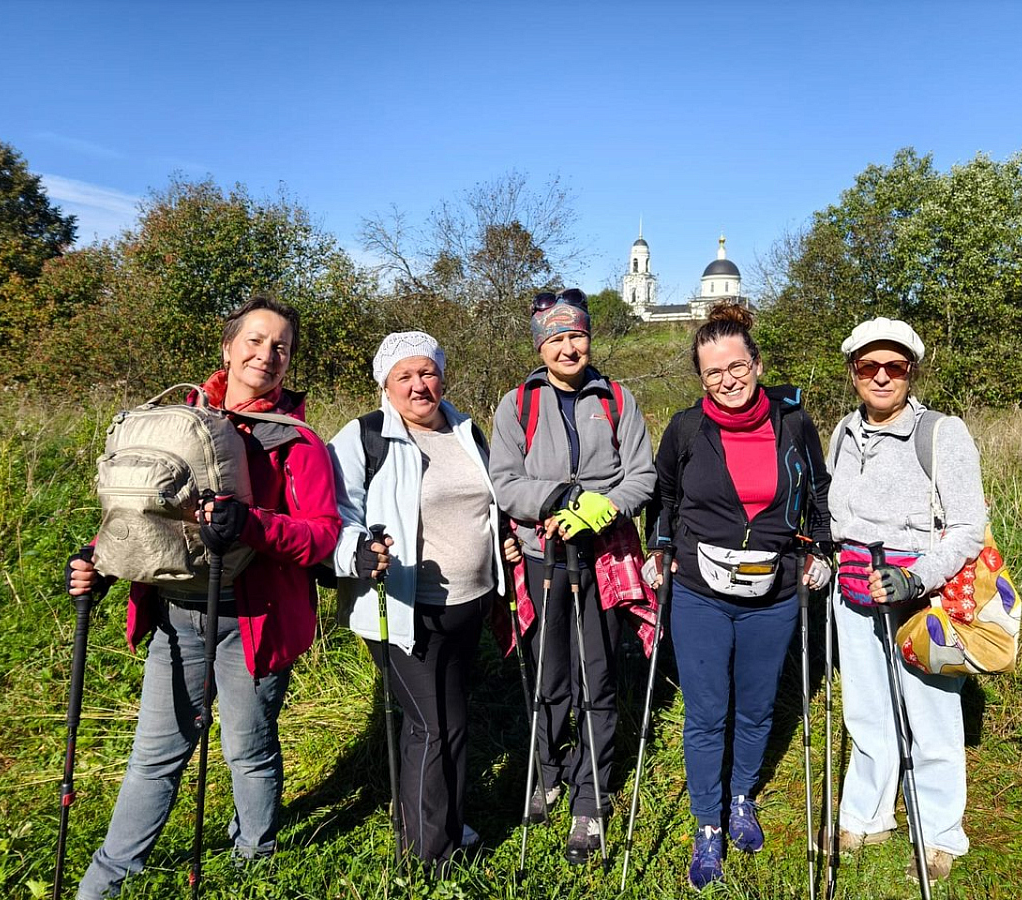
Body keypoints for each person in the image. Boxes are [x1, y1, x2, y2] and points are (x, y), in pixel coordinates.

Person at [66, 294, 342, 900]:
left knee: (248, 748)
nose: (267, 355)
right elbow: (138, 513)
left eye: (281, 347)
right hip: (176, 613)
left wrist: (250, 525)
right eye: (255, 341)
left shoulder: (297, 443)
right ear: (228, 347)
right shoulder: (174, 423)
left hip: (256, 619)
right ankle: (104, 882)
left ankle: (255, 858)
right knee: (156, 756)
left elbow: (322, 536)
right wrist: (97, 560)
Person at [645, 302, 832, 889]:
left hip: (774, 592)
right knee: (707, 713)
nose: (727, 380)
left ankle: (741, 797)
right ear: (701, 378)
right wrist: (660, 549)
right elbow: (664, 498)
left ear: (757, 364)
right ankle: (708, 824)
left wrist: (821, 550)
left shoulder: (793, 423)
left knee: (755, 708)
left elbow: (818, 492)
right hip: (700, 592)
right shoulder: (685, 429)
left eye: (737, 367)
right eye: (713, 373)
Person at [326, 331, 518, 873]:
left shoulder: (465, 429)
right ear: (385, 385)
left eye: (427, 372)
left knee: (450, 721)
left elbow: (485, 504)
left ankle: (439, 821)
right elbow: (338, 513)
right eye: (404, 376)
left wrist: (501, 541)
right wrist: (357, 550)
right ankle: (431, 857)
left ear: (442, 375)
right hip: (404, 609)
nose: (418, 385)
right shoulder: (365, 436)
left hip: (470, 602)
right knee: (432, 725)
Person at [489, 289, 657, 865]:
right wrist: (559, 499)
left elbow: (642, 476)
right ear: (540, 346)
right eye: (556, 338)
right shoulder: (517, 404)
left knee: (599, 676)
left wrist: (601, 508)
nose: (568, 347)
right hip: (542, 557)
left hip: (605, 557)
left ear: (589, 338)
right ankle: (547, 770)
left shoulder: (616, 400)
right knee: (549, 672)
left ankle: (591, 795)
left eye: (577, 336)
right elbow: (504, 483)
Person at [827, 316, 986, 885]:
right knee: (866, 707)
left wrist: (915, 579)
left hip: (920, 596)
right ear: (853, 372)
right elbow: (835, 516)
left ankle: (939, 831)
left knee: (931, 710)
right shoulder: (843, 433)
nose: (881, 376)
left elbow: (967, 528)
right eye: (869, 365)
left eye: (894, 366)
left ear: (911, 371)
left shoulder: (942, 433)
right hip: (852, 588)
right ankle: (867, 814)